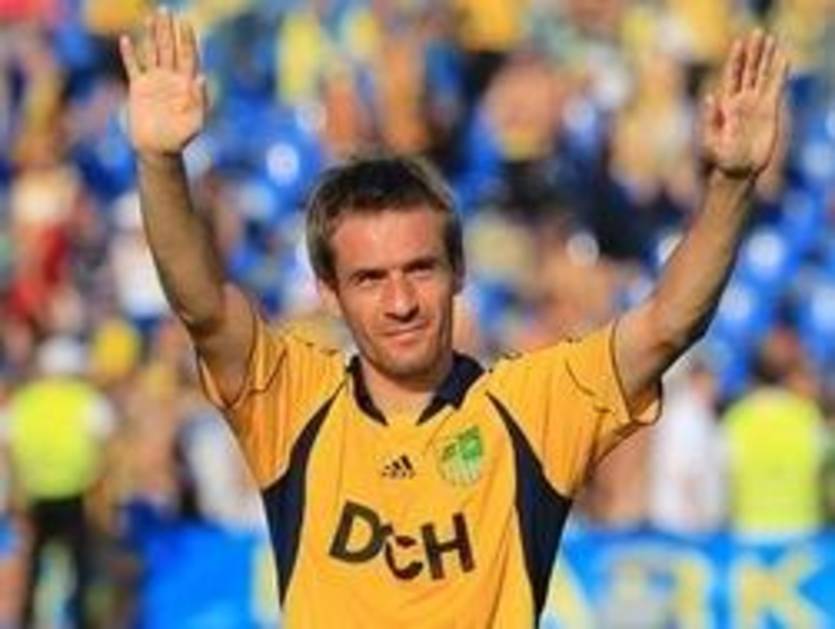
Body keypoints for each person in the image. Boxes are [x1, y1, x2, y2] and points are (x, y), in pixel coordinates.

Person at [119, 10, 788, 627]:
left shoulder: (528, 410)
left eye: (420, 269)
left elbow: (668, 324)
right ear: (328, 292)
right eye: (369, 279)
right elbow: (203, 307)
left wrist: (731, 182)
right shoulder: (295, 403)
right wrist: (159, 161)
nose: (401, 301)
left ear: (458, 271)